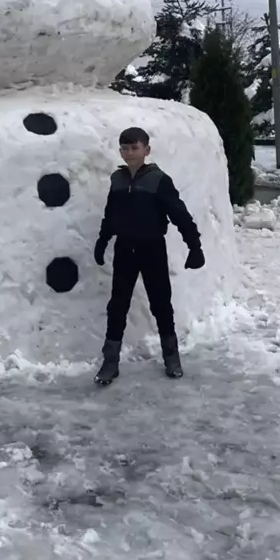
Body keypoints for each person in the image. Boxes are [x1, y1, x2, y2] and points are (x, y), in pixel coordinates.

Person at [93, 126, 205, 385]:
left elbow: (180, 214)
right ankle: (110, 362)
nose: (129, 153)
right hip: (124, 249)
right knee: (117, 305)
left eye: (134, 148)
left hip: (152, 248)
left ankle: (171, 356)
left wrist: (194, 246)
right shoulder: (117, 180)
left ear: (147, 150)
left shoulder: (159, 180)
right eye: (125, 148)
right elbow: (111, 213)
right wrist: (103, 239)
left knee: (161, 303)